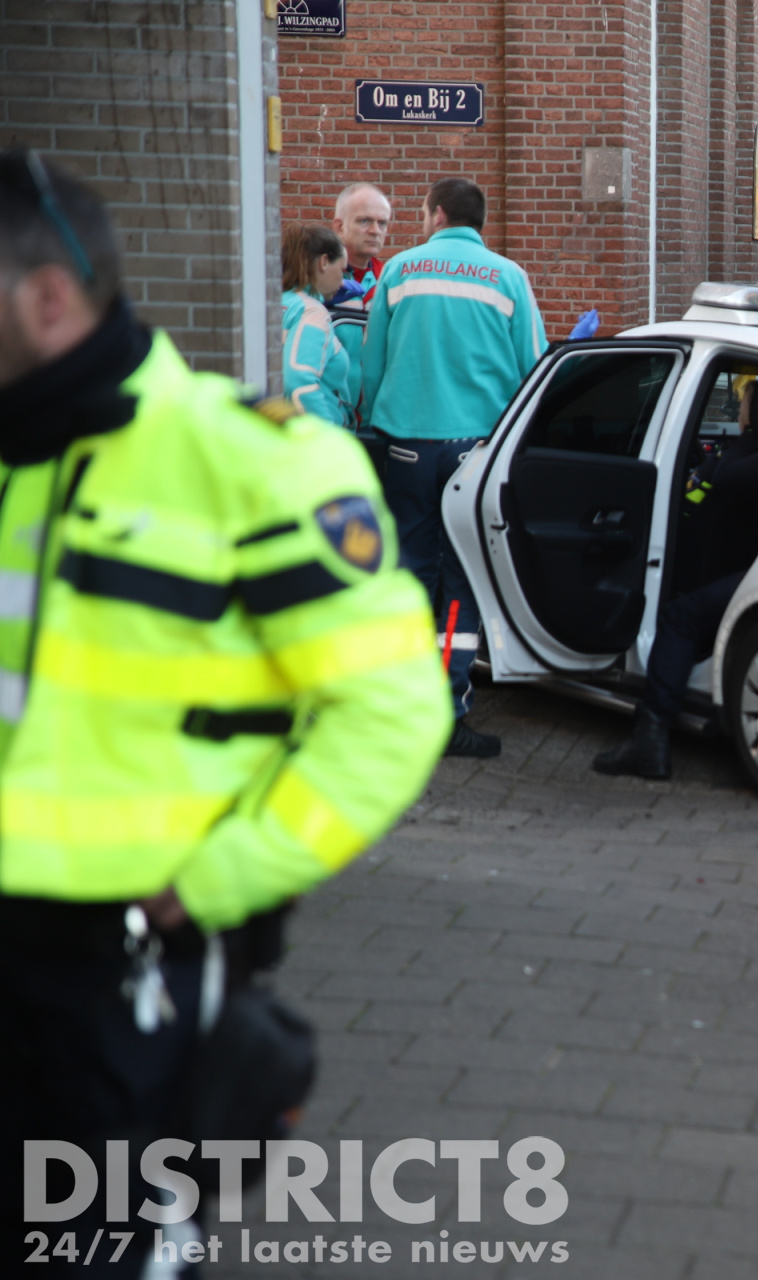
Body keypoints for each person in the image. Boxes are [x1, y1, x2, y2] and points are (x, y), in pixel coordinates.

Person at [0, 149, 450, 1277]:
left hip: (122, 976)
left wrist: (214, 879)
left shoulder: (249, 463)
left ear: (46, 299)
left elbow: (390, 713)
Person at [361, 176, 547, 758]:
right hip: (475, 452)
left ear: (437, 215)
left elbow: (373, 365)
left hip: (406, 446)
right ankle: (447, 711)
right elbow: (533, 373)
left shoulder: (399, 272)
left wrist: (373, 425)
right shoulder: (509, 278)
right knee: (461, 581)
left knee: (410, 572)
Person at [593, 375, 758, 779]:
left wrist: (729, 451)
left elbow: (705, 491)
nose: (740, 408)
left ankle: (649, 737)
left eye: (745, 402)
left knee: (678, 618)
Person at [280, 222, 355, 425]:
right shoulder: (311, 312)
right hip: (310, 444)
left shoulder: (272, 302)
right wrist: (326, 440)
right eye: (342, 270)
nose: (342, 283)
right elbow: (298, 381)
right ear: (323, 262)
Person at [328, 181, 391, 306]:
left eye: (382, 223)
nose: (375, 231)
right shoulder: (314, 274)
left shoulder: (388, 278)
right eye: (364, 221)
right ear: (340, 227)